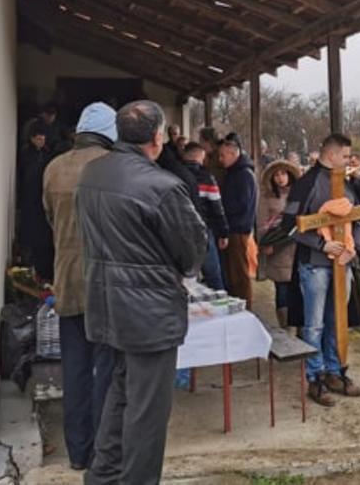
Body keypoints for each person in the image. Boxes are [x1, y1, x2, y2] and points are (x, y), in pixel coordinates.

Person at [76, 100, 207, 484]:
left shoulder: (92, 173)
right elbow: (192, 251)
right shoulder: (162, 186)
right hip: (149, 314)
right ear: (158, 137)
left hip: (106, 303)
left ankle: (103, 477)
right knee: (147, 413)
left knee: (120, 396)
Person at [42, 102, 117, 471]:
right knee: (107, 371)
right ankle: (103, 452)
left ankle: (78, 452)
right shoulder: (113, 167)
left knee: (75, 369)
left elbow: (49, 219)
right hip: (106, 286)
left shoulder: (54, 168)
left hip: (67, 280)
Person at [282, 133, 360, 406]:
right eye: (345, 156)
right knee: (314, 325)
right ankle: (315, 377)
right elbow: (290, 225)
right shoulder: (306, 183)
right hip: (315, 265)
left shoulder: (347, 184)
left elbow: (358, 218)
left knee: (337, 320)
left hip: (343, 264)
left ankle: (335, 370)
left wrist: (353, 248)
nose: (349, 160)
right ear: (331, 155)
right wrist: (322, 244)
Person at [257, 159, 301, 327]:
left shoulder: (298, 195)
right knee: (282, 288)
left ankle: (298, 323)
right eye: (276, 175)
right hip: (277, 247)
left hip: (296, 245)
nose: (280, 178)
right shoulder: (267, 197)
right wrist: (265, 242)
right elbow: (261, 222)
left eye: (283, 174)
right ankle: (285, 325)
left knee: (297, 288)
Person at [182, 142, 229, 291]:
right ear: (200, 157)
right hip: (204, 230)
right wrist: (223, 232)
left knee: (185, 278)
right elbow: (217, 208)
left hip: (180, 231)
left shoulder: (174, 175)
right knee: (213, 275)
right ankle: (219, 301)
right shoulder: (207, 178)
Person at [219, 138, 258, 306]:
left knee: (239, 276)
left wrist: (222, 209)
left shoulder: (243, 175)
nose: (220, 159)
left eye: (223, 155)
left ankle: (245, 307)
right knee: (234, 275)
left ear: (233, 153)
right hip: (235, 228)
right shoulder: (235, 174)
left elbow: (243, 204)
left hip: (238, 230)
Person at [18, 124, 54, 280]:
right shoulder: (26, 154)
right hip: (30, 201)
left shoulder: (46, 154)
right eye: (39, 137)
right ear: (32, 138)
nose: (42, 140)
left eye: (43, 137)